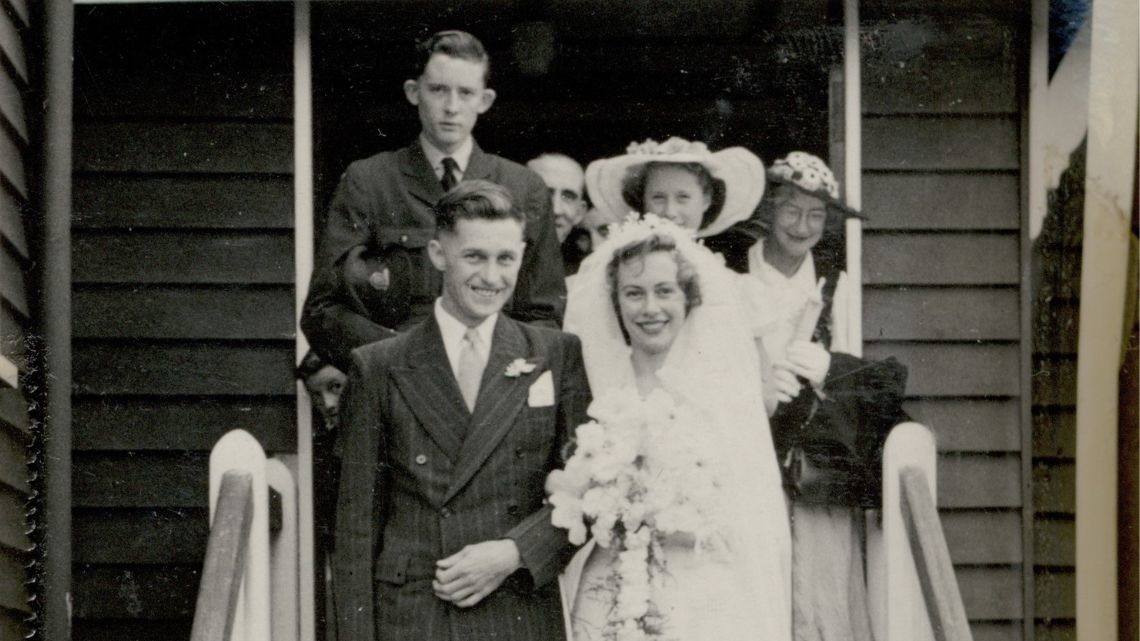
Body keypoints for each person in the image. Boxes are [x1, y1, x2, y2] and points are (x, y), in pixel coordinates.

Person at [332, 180, 591, 641]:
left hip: (518, 608)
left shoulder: (555, 354)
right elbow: (356, 531)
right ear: (437, 254)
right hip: (416, 614)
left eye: (505, 259)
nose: (492, 277)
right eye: (474, 256)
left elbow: (591, 493)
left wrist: (513, 552)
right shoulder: (378, 366)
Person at [555, 216, 792, 641]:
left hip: (702, 590)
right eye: (634, 293)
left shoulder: (719, 390)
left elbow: (747, 511)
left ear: (688, 298)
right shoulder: (594, 383)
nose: (650, 309)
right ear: (615, 301)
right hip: (609, 583)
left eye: (665, 291)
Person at [705, 152, 909, 641]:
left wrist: (833, 368)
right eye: (792, 211)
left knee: (819, 592)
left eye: (816, 215)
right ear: (769, 212)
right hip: (747, 455)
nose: (802, 226)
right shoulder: (730, 274)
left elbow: (874, 384)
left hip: (815, 467)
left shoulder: (836, 283)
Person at [302, 30, 566, 373]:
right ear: (414, 92)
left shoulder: (523, 187)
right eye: (438, 89)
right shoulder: (369, 181)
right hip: (394, 390)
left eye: (465, 93)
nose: (451, 107)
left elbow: (544, 315)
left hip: (490, 391)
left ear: (484, 100)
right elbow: (323, 311)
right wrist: (400, 359)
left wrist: (490, 367)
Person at [584, 136, 764, 238]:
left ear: (706, 200)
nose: (670, 211)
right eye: (658, 198)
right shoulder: (626, 264)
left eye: (683, 197)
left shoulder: (717, 270)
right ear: (643, 202)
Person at [526, 153, 591, 275]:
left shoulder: (583, 280)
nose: (556, 209)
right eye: (545, 193)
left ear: (579, 213)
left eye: (568, 197)